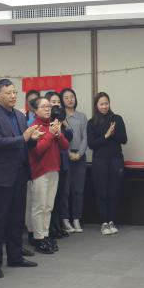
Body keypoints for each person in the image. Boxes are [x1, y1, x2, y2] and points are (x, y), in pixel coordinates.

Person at [0, 79, 41, 275]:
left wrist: (32, 140)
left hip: (20, 173)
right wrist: (23, 138)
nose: (13, 96)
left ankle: (15, 256)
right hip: (0, 176)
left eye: (15, 92)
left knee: (16, 219)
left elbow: (24, 144)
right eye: (8, 93)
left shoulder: (19, 115)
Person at [29, 97, 69, 252]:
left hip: (54, 169)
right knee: (39, 206)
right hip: (40, 171)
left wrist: (58, 134)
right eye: (43, 106)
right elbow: (38, 150)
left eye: (49, 107)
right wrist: (51, 134)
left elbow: (65, 146)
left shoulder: (53, 124)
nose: (47, 109)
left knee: (48, 206)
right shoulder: (34, 127)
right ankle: (38, 238)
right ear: (35, 110)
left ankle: (45, 235)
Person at [87, 92, 127, 235]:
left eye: (106, 103)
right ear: (96, 106)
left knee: (114, 191)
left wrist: (113, 133)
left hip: (115, 160)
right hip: (99, 161)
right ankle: (104, 222)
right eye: (101, 104)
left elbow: (124, 139)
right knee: (101, 191)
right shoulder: (91, 123)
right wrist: (106, 135)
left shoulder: (117, 119)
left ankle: (112, 221)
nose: (104, 106)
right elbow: (91, 144)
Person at [45, 91, 73, 237]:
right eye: (53, 102)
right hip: (51, 164)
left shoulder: (62, 123)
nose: (56, 105)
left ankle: (57, 225)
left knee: (60, 195)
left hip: (63, 164)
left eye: (58, 102)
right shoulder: (45, 123)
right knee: (50, 198)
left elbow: (69, 137)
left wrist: (63, 123)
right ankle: (50, 228)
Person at [61, 88, 87, 233]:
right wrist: (68, 153)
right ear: (62, 100)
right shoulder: (60, 117)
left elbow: (85, 137)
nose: (70, 99)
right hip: (65, 154)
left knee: (78, 190)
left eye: (72, 96)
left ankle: (76, 219)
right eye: (66, 97)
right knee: (65, 190)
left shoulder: (82, 116)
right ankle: (65, 219)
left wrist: (79, 154)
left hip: (80, 156)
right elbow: (60, 138)